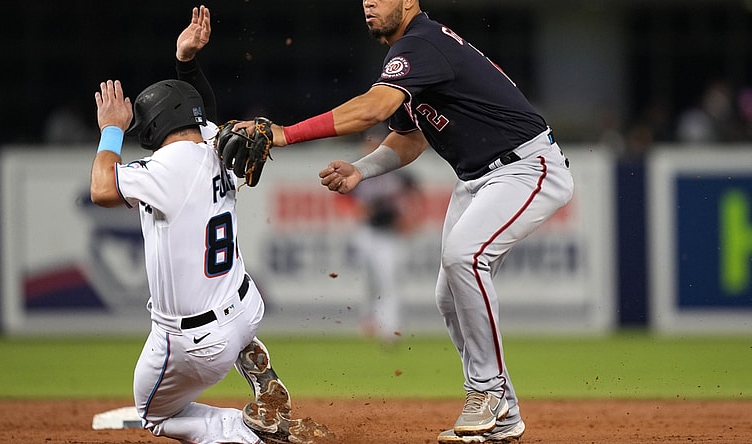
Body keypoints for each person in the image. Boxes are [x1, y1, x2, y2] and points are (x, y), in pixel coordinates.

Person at [234, 1, 574, 442]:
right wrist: (362, 169)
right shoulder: (414, 54)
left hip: (527, 166)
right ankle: (503, 415)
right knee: (448, 295)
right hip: (479, 178)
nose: (368, 4)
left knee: (465, 257)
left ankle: (487, 391)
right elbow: (410, 138)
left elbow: (371, 109)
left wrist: (285, 133)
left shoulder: (422, 44)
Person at [90, 6, 330, 444]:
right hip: (245, 309)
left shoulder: (167, 166)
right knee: (232, 302)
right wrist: (187, 63)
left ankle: (249, 433)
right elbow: (206, 113)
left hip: (195, 341)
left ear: (155, 124)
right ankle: (260, 371)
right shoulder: (219, 147)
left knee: (154, 415)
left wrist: (110, 130)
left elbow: (102, 188)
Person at [350, 126, 424, 343]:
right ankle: (368, 321)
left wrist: (412, 220)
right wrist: (360, 211)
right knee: (369, 282)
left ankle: (390, 328)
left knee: (389, 281)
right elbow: (345, 201)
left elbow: (417, 196)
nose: (372, 145)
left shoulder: (398, 172)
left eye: (376, 142)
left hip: (390, 235)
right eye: (369, 141)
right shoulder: (358, 170)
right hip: (366, 232)